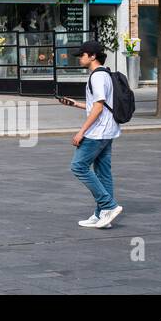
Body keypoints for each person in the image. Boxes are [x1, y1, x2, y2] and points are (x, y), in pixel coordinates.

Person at [61, 39, 122, 228]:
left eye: (82, 55)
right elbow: (98, 105)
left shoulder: (96, 76)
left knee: (78, 166)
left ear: (93, 56)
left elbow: (98, 106)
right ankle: (102, 215)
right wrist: (76, 104)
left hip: (98, 132)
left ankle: (109, 205)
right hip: (108, 130)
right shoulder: (105, 75)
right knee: (103, 172)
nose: (80, 58)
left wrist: (81, 132)